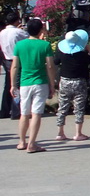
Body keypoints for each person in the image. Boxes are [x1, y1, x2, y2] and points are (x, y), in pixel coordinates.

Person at [10, 17, 55, 153]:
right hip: (40, 82)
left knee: (24, 114)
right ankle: (32, 144)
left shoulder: (19, 45)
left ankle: (22, 141)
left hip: (24, 83)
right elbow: (50, 66)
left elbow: (14, 66)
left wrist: (13, 85)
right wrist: (52, 84)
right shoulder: (44, 45)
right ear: (40, 30)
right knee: (36, 114)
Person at [53, 29, 90, 142]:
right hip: (79, 82)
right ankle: (78, 133)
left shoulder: (62, 53)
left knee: (62, 107)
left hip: (65, 81)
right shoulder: (82, 54)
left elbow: (55, 61)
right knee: (79, 108)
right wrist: (89, 51)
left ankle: (60, 133)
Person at [0, 12, 27, 119]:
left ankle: (4, 111)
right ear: (17, 21)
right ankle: (16, 111)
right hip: (17, 60)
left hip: (6, 59)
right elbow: (29, 38)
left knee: (8, 85)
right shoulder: (18, 32)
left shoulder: (2, 33)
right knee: (17, 85)